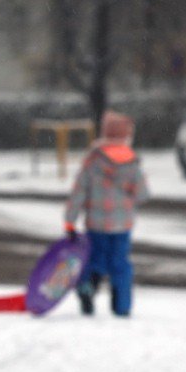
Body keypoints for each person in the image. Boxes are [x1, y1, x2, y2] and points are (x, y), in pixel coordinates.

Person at [64, 110, 149, 318]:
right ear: (126, 135)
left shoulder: (92, 160)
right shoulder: (132, 162)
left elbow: (79, 192)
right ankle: (122, 306)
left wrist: (70, 220)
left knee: (96, 259)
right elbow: (143, 195)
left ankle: (87, 288)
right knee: (120, 264)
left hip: (96, 224)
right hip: (122, 225)